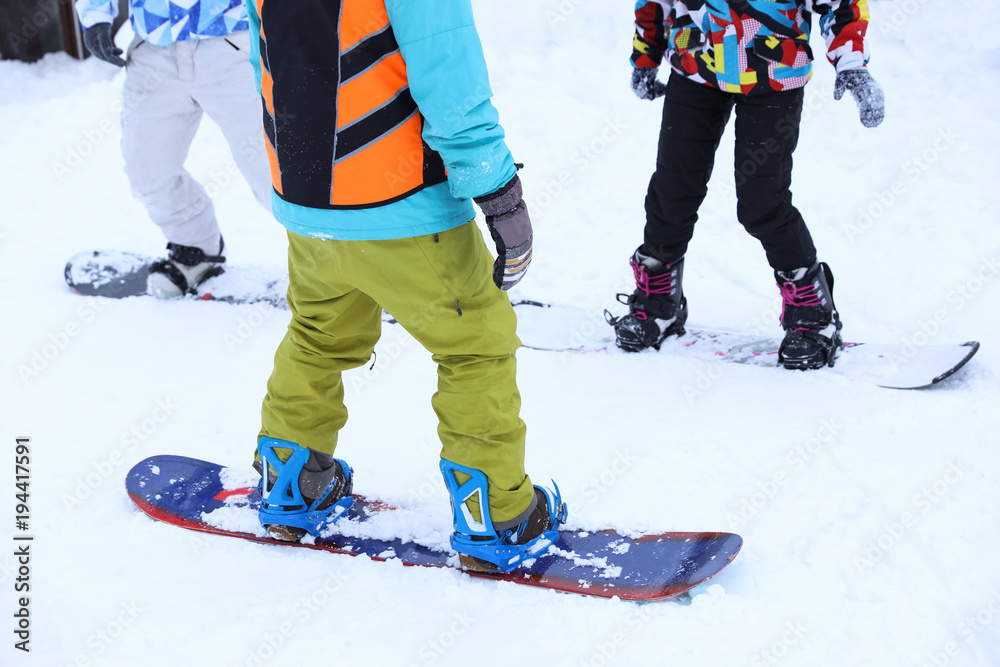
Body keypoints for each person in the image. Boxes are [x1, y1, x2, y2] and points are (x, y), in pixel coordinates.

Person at [246, 0, 567, 574]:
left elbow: (262, 61)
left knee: (318, 335)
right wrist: (500, 193)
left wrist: (290, 178)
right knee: (474, 347)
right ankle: (496, 517)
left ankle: (291, 480)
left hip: (308, 200)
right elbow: (450, 78)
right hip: (402, 202)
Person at [609, 0, 884, 369]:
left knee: (762, 203)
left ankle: (812, 312)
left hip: (774, 71)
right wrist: (647, 54)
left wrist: (852, 64)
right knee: (672, 188)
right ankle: (659, 300)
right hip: (696, 65)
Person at [74, 0, 272, 298]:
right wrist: (96, 14)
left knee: (273, 170)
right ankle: (195, 249)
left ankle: (326, 262)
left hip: (234, 39)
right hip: (154, 44)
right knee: (147, 171)